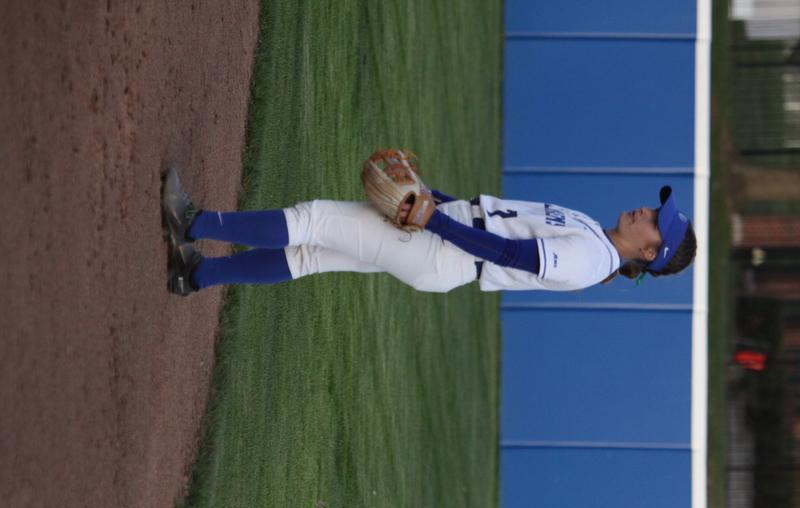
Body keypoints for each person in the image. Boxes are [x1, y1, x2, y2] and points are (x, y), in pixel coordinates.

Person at [160, 168, 696, 296]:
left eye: (655, 221)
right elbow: (498, 216)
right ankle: (197, 274)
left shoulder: (588, 262)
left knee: (313, 219)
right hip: (447, 234)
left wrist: (433, 220)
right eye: (656, 208)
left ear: (649, 252)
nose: (648, 210)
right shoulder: (594, 232)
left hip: (446, 252)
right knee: (311, 256)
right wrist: (433, 197)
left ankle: (195, 222)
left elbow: (506, 251)